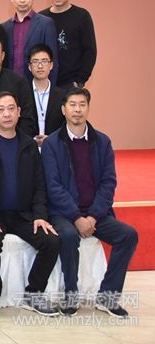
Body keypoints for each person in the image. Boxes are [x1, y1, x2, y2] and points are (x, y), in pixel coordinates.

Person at [42, 88, 138, 317]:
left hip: (96, 213)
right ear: (63, 109)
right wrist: (77, 218)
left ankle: (107, 297)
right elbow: (53, 187)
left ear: (88, 108)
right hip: (64, 214)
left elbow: (108, 183)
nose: (77, 110)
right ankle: (71, 295)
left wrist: (93, 217)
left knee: (128, 235)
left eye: (82, 104)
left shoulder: (102, 142)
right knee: (68, 235)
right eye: (72, 105)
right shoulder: (52, 144)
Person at [0, 92, 60, 319]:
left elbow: (40, 185)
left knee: (51, 241)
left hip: (23, 214)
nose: (7, 114)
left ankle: (34, 292)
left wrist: (40, 216)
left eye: (11, 109)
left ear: (19, 112)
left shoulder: (29, 145)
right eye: (1, 110)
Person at [40, 0, 97, 88]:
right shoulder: (40, 18)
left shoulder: (82, 16)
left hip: (71, 85)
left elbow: (90, 51)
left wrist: (79, 81)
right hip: (45, 84)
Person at [1, 0, 59, 83]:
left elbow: (53, 60)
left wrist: (50, 90)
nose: (22, 0)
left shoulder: (46, 24)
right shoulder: (5, 27)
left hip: (37, 85)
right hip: (10, 86)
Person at [28, 44, 65, 147]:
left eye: (44, 61)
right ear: (29, 67)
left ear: (51, 65)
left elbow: (66, 126)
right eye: (35, 61)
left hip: (55, 148)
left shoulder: (62, 96)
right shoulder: (22, 94)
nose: (40, 66)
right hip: (29, 149)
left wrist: (51, 140)